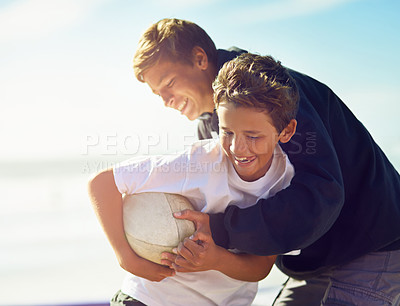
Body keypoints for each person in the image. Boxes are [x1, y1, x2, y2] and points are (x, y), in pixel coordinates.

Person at [131, 18, 400, 305]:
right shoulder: (211, 124)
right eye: (158, 93)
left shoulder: (270, 94)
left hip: (372, 244)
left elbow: (319, 195)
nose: (166, 100)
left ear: (199, 58)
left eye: (169, 84)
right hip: (313, 261)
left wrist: (221, 229)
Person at [88, 53, 300, 305]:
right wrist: (126, 257)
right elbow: (103, 183)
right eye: (227, 132)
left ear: (286, 131)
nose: (237, 147)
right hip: (150, 299)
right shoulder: (199, 162)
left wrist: (216, 260)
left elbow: (261, 266)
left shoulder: (286, 186)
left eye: (253, 136)